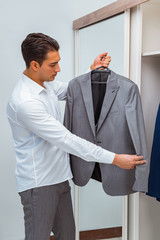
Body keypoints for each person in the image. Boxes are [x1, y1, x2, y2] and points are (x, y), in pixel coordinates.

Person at [7, 33, 146, 240]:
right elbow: (67, 140)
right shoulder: (25, 103)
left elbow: (74, 89)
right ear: (35, 65)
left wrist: (93, 71)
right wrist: (115, 159)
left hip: (60, 178)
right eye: (53, 65)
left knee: (67, 236)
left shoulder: (47, 86)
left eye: (59, 63)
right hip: (39, 184)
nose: (58, 70)